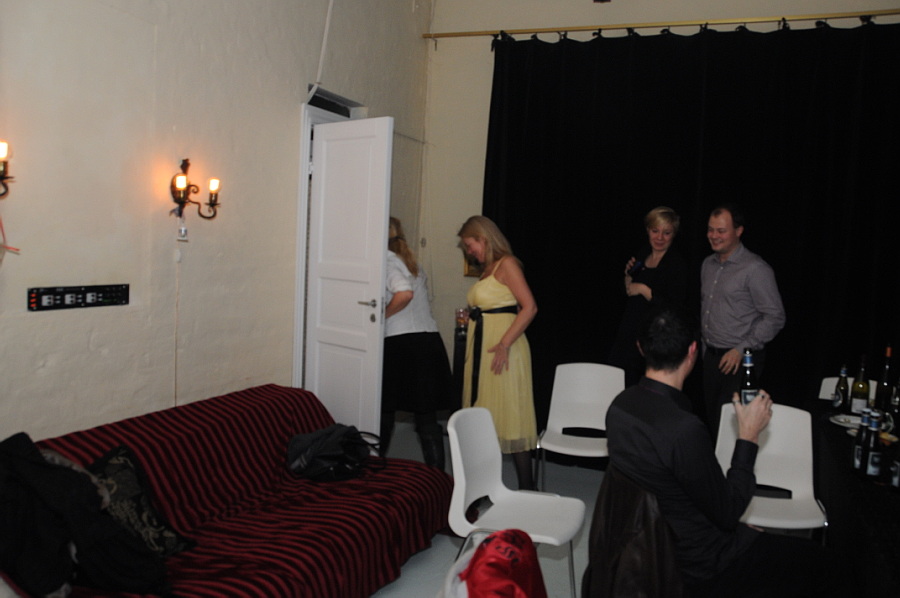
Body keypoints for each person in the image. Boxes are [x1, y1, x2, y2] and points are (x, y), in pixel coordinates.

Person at [603, 307, 842, 597]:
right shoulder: (683, 429)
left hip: (649, 547)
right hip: (699, 563)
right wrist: (748, 436)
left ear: (640, 348)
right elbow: (729, 512)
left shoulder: (620, 407)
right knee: (829, 565)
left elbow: (673, 493)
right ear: (693, 351)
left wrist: (741, 529)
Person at [458, 215, 538, 490]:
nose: (470, 252)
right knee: (486, 413)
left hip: (505, 349)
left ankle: (528, 487)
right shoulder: (488, 269)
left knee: (511, 415)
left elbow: (529, 307)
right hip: (484, 348)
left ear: (483, 238)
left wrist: (504, 344)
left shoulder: (507, 264)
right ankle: (485, 487)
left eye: (470, 246)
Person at [701, 204, 785, 436]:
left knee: (732, 430)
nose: (713, 236)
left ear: (738, 231)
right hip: (712, 359)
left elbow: (775, 316)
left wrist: (741, 349)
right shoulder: (707, 264)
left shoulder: (755, 269)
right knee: (712, 424)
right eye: (710, 230)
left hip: (740, 362)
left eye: (721, 231)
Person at [380, 217, 453, 470]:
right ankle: (437, 477)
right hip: (428, 341)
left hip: (402, 342)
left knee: (384, 409)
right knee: (426, 415)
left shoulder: (388, 260)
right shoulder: (412, 262)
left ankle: (373, 468)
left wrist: (380, 317)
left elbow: (404, 294)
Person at [608, 206, 687, 386]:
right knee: (617, 381)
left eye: (666, 233)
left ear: (674, 234)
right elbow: (628, 292)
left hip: (653, 340)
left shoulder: (676, 264)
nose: (659, 238)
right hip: (629, 333)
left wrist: (645, 291)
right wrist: (627, 278)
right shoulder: (643, 253)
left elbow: (674, 307)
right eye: (655, 231)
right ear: (647, 230)